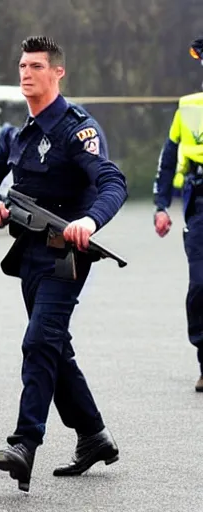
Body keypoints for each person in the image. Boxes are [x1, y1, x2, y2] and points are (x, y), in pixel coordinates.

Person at [0, 36, 128, 492]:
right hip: (28, 254)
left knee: (39, 341)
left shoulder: (76, 129)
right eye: (22, 65)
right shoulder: (14, 134)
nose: (26, 73)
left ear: (57, 73)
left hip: (68, 255)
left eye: (36, 66)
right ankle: (93, 435)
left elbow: (111, 181)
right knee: (54, 347)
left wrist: (89, 220)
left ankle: (24, 443)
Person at [153, 37, 203, 392]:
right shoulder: (188, 107)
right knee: (201, 286)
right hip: (200, 203)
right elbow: (168, 157)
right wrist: (160, 205)